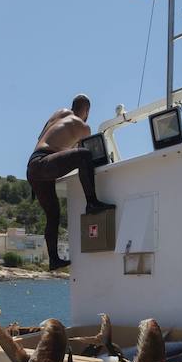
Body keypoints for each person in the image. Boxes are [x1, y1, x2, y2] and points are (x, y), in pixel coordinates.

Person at [27, 94, 114, 270]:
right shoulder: (83, 127)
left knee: (53, 215)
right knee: (85, 156)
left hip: (33, 165)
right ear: (87, 111)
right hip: (45, 163)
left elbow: (42, 137)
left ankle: (53, 259)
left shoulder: (58, 113)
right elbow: (81, 152)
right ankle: (92, 203)